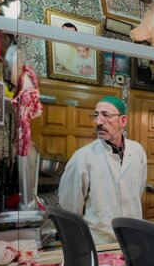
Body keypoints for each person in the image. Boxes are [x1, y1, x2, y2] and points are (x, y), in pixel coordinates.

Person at [58, 96, 147, 244]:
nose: (98, 122)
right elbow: (70, 208)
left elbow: (138, 189)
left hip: (134, 237)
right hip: (100, 241)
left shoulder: (137, 151)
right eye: (96, 116)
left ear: (123, 121)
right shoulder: (82, 157)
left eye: (106, 115)